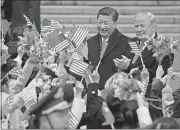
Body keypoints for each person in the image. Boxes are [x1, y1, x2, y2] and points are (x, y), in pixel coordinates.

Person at [115, 12, 173, 96]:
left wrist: (129, 66)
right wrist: (120, 67)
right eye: (136, 26)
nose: (138, 30)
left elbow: (156, 77)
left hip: (149, 96)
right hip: (125, 94)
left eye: (142, 26)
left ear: (153, 27)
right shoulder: (130, 42)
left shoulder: (163, 47)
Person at [87, 7, 133, 90]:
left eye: (106, 23)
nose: (102, 26)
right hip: (92, 92)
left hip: (115, 94)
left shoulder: (127, 43)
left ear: (115, 23)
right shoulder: (89, 43)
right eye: (99, 22)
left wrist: (128, 66)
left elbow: (135, 70)